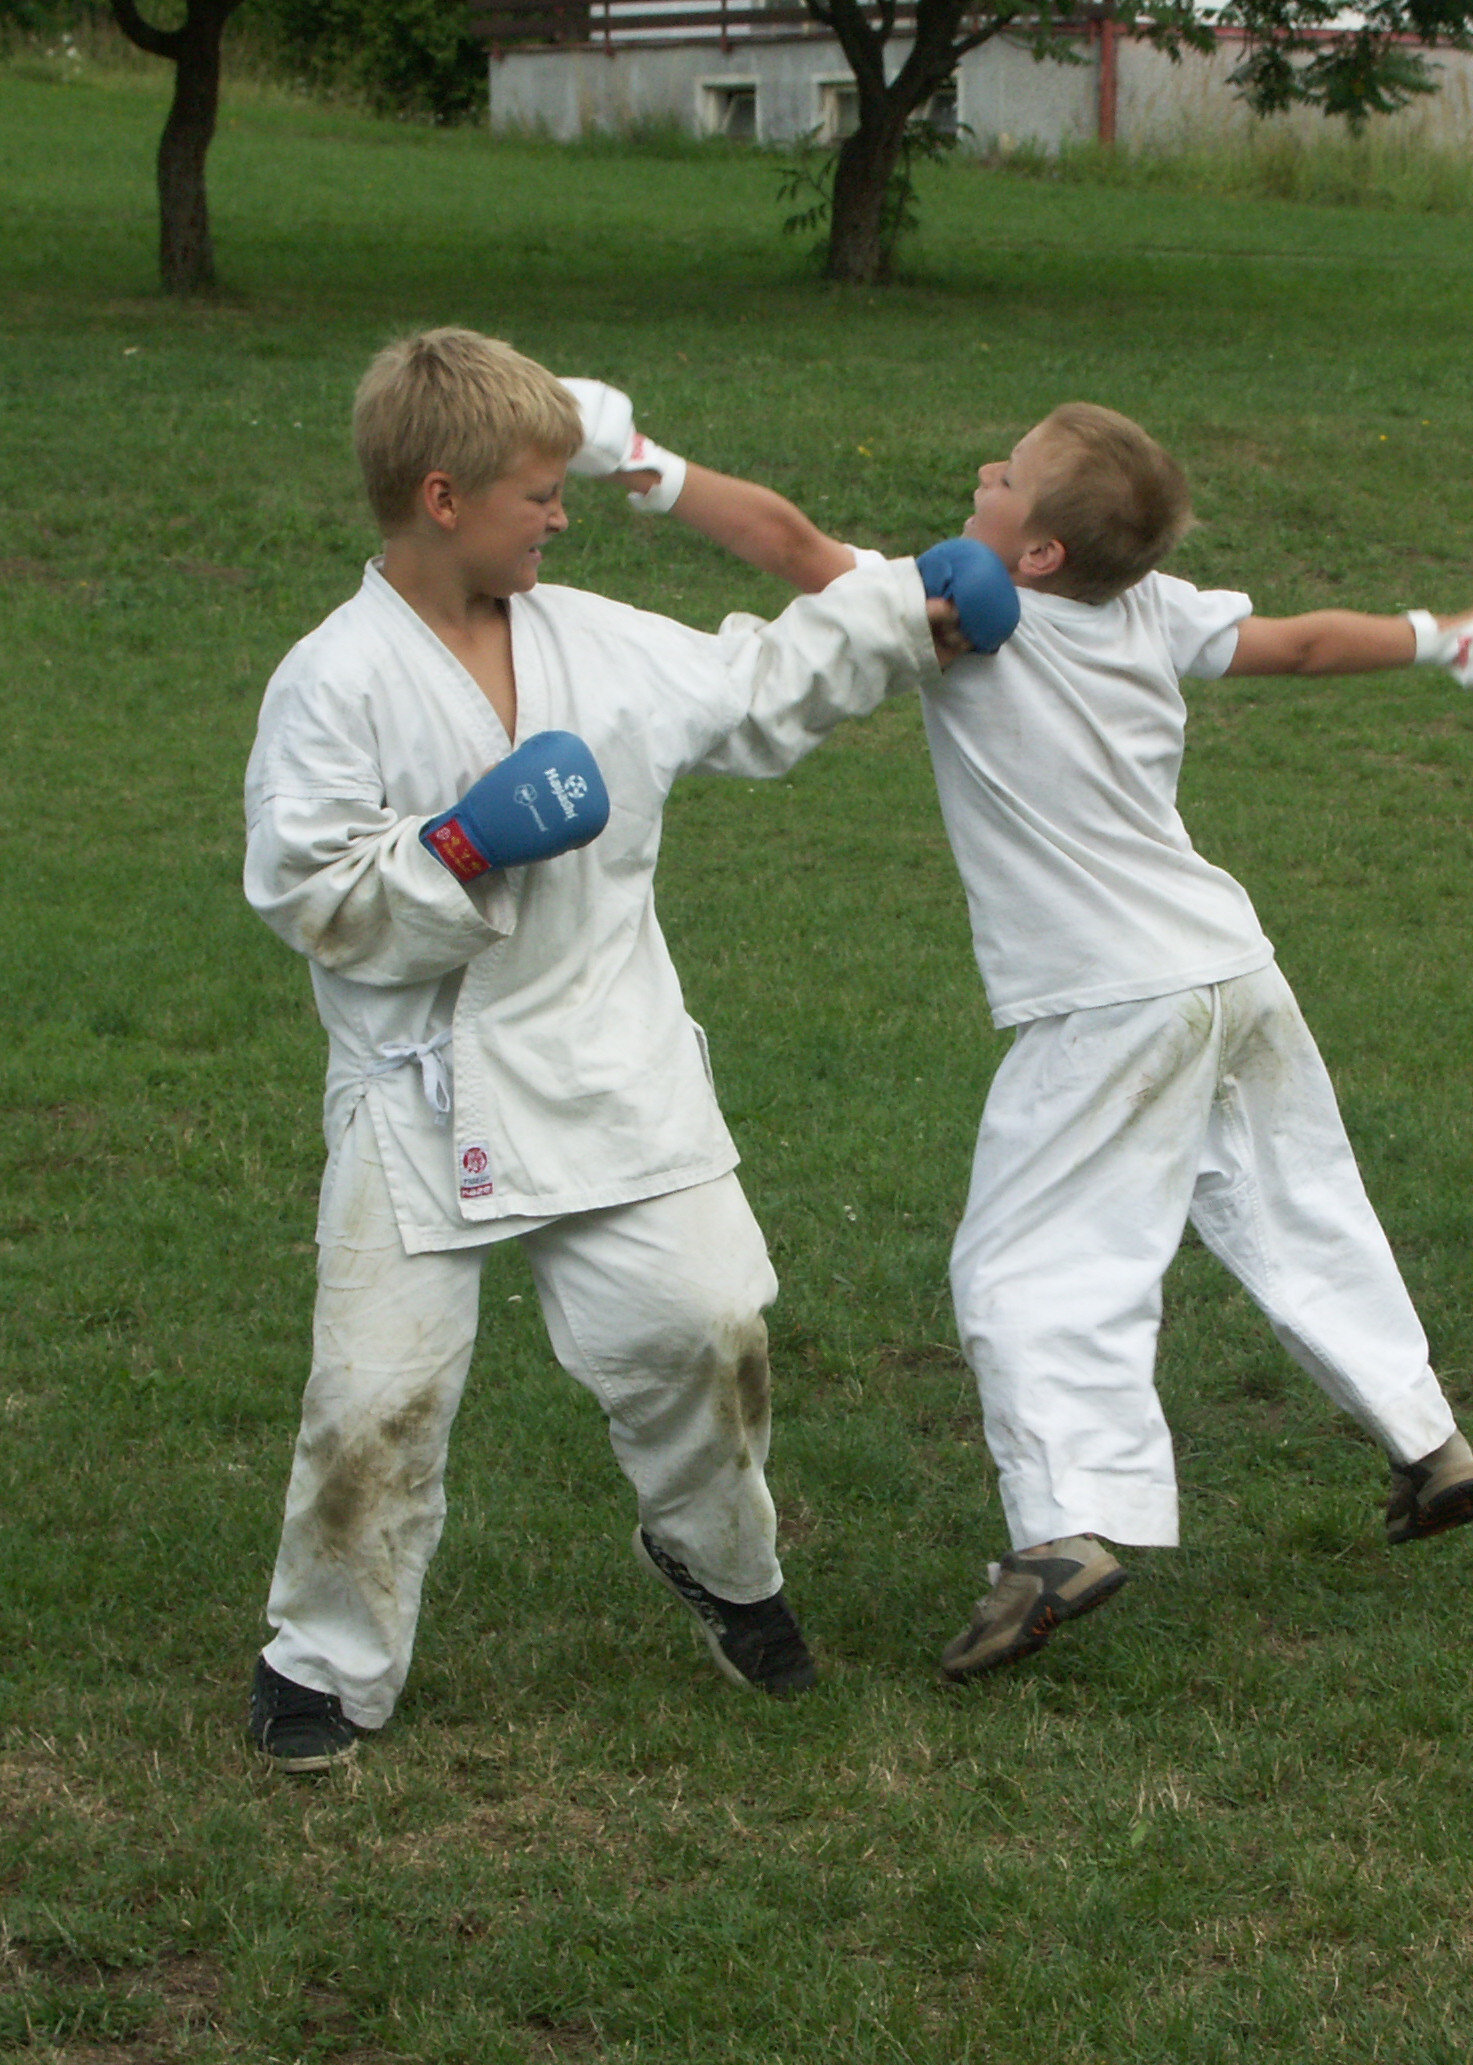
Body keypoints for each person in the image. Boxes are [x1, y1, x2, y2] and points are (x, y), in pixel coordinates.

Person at [592, 390, 1473, 1681]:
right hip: (1232, 966)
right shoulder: (1151, 606)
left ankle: (1059, 1538)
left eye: (1009, 477)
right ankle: (1431, 1444)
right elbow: (1305, 645)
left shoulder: (965, 616)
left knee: (1025, 1269)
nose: (985, 469)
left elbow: (791, 544)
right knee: (1300, 1204)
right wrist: (1445, 636)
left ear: (1036, 553)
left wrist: (636, 458)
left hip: (1111, 1004)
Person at [242, 329, 1014, 1768]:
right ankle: (323, 1661)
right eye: (540, 494)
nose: (563, 515)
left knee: (709, 1330)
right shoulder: (333, 681)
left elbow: (750, 683)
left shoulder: (590, 640)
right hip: (423, 1092)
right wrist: (460, 845)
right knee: (375, 1398)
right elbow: (312, 896)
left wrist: (907, 616)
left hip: (610, 1058)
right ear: (443, 498)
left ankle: (721, 1565)